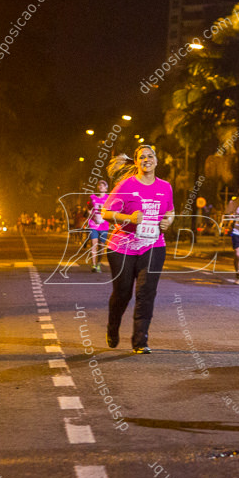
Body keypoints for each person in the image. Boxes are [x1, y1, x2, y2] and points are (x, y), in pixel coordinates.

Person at [101, 146, 175, 354]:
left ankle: (140, 341)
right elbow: (106, 212)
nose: (146, 159)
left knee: (146, 293)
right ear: (136, 163)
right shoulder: (125, 186)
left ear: (156, 160)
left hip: (153, 245)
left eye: (150, 156)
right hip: (122, 248)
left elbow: (170, 211)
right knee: (123, 293)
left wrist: (169, 221)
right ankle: (113, 326)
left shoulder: (165, 187)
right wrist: (128, 218)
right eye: (141, 157)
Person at [85, 179, 110, 272]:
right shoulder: (92, 197)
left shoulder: (108, 198)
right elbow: (88, 208)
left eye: (103, 186)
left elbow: (111, 210)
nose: (100, 187)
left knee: (101, 246)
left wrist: (105, 217)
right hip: (93, 225)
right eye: (99, 185)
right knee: (93, 245)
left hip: (104, 225)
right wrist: (90, 214)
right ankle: (93, 265)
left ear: (106, 189)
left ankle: (99, 264)